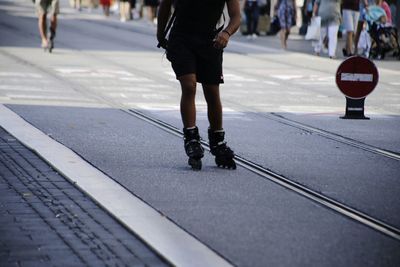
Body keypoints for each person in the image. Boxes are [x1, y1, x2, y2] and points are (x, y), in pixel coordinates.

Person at [157, 0, 241, 170]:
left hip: (211, 40)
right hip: (181, 39)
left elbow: (236, 16)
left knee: (212, 92)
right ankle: (191, 137)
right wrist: (160, 34)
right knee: (189, 86)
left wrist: (227, 32)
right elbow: (164, 5)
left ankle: (218, 141)